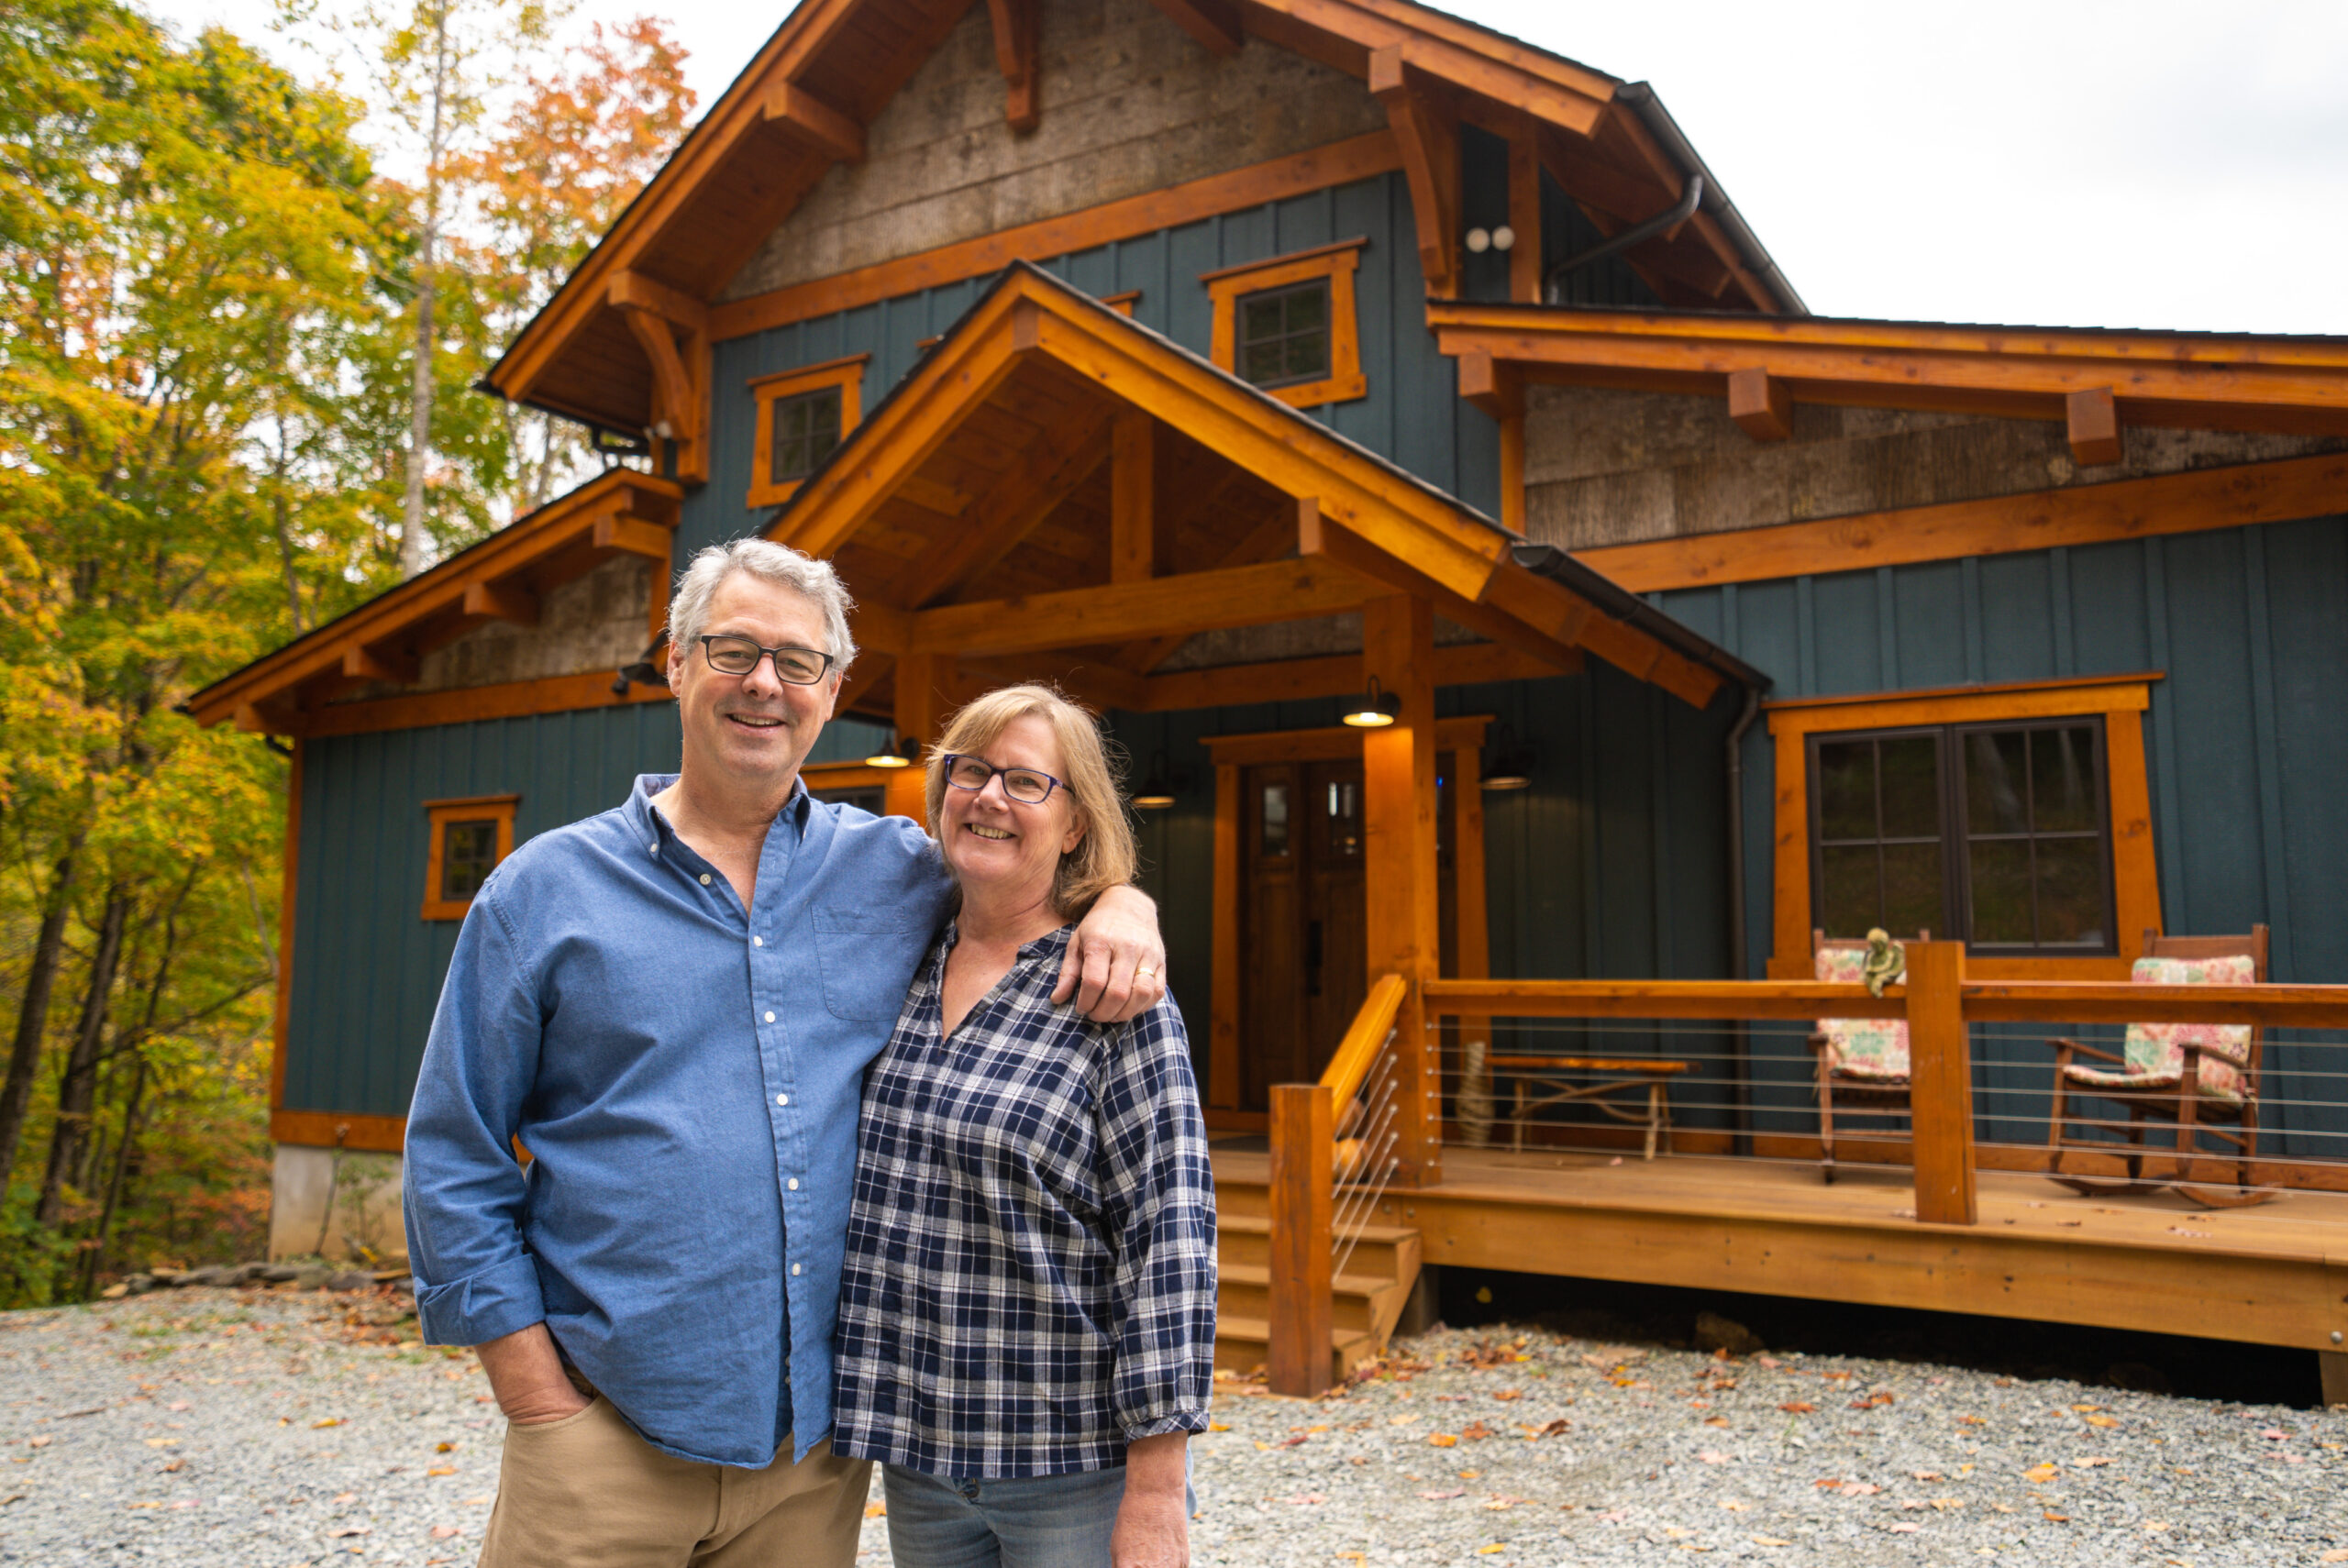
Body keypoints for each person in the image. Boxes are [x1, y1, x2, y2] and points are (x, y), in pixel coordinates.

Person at [401, 542, 1168, 1568]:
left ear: (831, 690)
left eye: (796, 661)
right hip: (601, 1440)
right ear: (675, 662)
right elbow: (454, 1154)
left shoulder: (896, 871)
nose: (764, 682)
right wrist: (535, 1395)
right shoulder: (544, 891)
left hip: (810, 1469)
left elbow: (1026, 872)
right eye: (733, 650)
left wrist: (1125, 900)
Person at [832, 686, 1215, 1568]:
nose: (991, 797)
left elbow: (1172, 1245)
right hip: (919, 1460)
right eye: (971, 771)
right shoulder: (895, 961)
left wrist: (1157, 1493)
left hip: (1071, 1467)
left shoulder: (1114, 992)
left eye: (1026, 782)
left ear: (1076, 824)